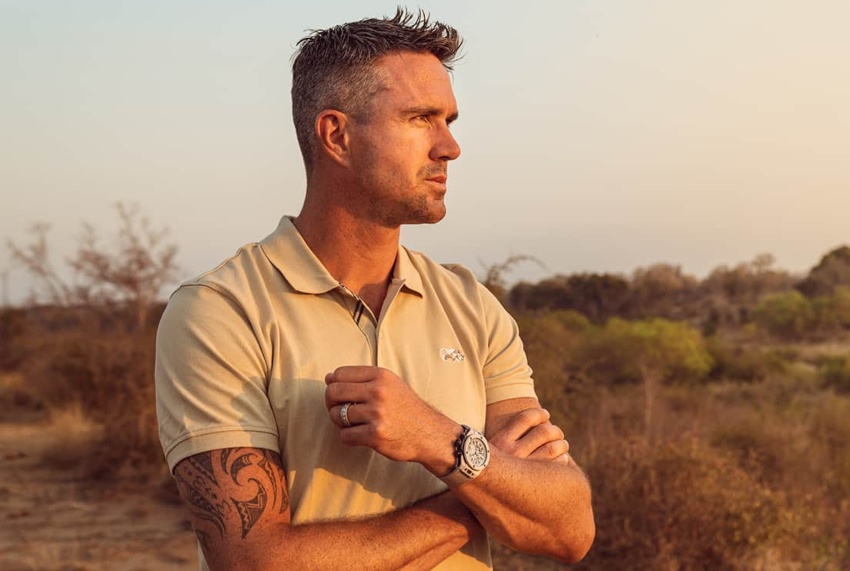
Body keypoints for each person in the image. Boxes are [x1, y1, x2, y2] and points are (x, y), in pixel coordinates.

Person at [154, 9, 595, 571]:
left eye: (449, 120)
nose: (450, 147)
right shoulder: (221, 311)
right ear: (336, 136)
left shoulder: (470, 306)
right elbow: (252, 562)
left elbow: (569, 530)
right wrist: (483, 488)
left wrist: (438, 438)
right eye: (421, 118)